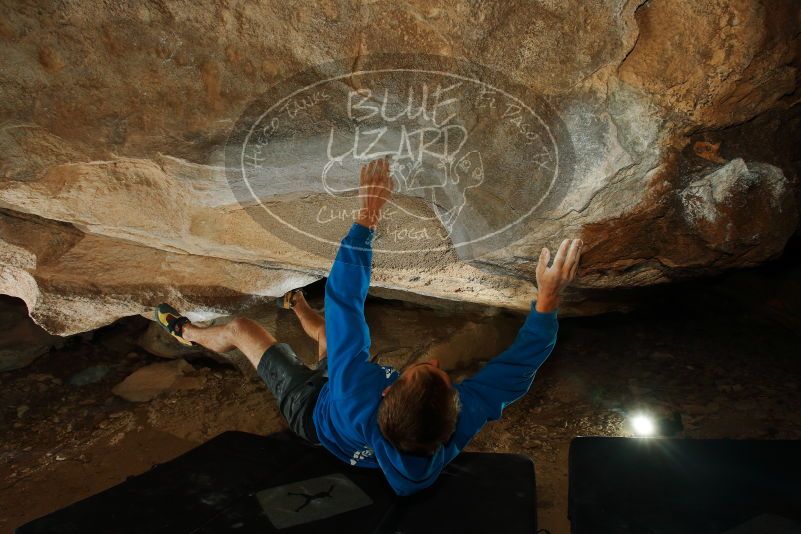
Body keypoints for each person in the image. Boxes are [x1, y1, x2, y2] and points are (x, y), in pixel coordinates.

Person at [154, 157, 582, 496]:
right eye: (441, 375)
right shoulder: (440, 427)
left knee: (245, 328)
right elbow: (519, 368)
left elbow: (345, 302)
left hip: (312, 412)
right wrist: (547, 300)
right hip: (346, 412)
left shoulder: (356, 388)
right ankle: (298, 304)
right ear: (452, 418)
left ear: (384, 389)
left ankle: (187, 332)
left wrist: (367, 216)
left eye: (424, 368)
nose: (433, 360)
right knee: (327, 337)